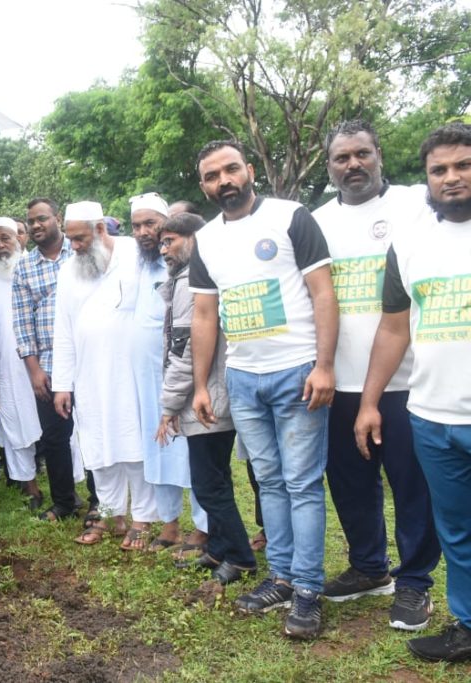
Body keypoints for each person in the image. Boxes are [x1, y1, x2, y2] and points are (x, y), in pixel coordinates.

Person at [190, 140, 337, 640]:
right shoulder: (205, 240)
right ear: (205, 186)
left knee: (301, 483)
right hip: (244, 380)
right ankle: (281, 576)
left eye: (231, 169)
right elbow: (205, 316)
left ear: (250, 170)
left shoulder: (291, 216)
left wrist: (324, 365)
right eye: (213, 175)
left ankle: (309, 591)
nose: (224, 180)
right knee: (269, 482)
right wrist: (202, 384)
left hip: (297, 372)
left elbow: (323, 293)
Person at [313, 120, 440, 631]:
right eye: (342, 158)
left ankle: (414, 584)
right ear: (330, 166)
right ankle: (369, 567)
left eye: (361, 154)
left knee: (411, 486)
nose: (353, 166)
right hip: (338, 380)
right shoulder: (316, 220)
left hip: (407, 380)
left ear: (379, 154)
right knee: (348, 481)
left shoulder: (416, 204)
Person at [355, 122, 471, 662]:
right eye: (439, 170)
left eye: (462, 166)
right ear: (425, 178)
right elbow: (394, 328)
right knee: (456, 532)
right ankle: (467, 627)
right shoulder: (409, 244)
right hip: (431, 416)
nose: (451, 178)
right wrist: (372, 401)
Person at [52, 201, 171, 550]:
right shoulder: (68, 270)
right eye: (69, 239)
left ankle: (143, 517)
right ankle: (110, 513)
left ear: (100, 230)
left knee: (133, 441)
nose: (73, 247)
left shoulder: (138, 255)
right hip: (88, 372)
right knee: (97, 444)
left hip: (132, 371)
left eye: (79, 239)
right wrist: (62, 384)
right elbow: (64, 329)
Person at [156, 212, 256, 584]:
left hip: (207, 397)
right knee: (212, 480)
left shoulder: (191, 283)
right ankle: (219, 549)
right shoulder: (185, 279)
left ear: (195, 239)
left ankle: (241, 557)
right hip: (208, 395)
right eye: (163, 242)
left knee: (210, 483)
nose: (165, 249)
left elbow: (184, 351)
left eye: (173, 241)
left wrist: (168, 406)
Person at [126, 192, 206, 553]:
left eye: (151, 224)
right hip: (146, 378)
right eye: (137, 225)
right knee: (157, 448)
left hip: (183, 374)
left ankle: (204, 528)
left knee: (193, 452)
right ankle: (169, 523)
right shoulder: (135, 265)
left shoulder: (183, 260)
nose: (144, 232)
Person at [12, 197, 79, 522]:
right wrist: (34, 370)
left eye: (42, 219)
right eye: (31, 222)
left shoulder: (81, 252)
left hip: (88, 361)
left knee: (94, 432)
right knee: (55, 437)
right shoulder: (24, 266)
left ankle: (100, 502)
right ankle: (64, 502)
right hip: (49, 368)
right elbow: (22, 324)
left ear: (58, 217)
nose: (37, 225)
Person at [0, 218, 43, 507]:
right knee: (14, 421)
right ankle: (29, 486)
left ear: (20, 239)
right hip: (7, 365)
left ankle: (66, 483)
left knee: (56, 425)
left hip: (44, 361)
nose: (0, 245)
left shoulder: (37, 268)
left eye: (5, 238)